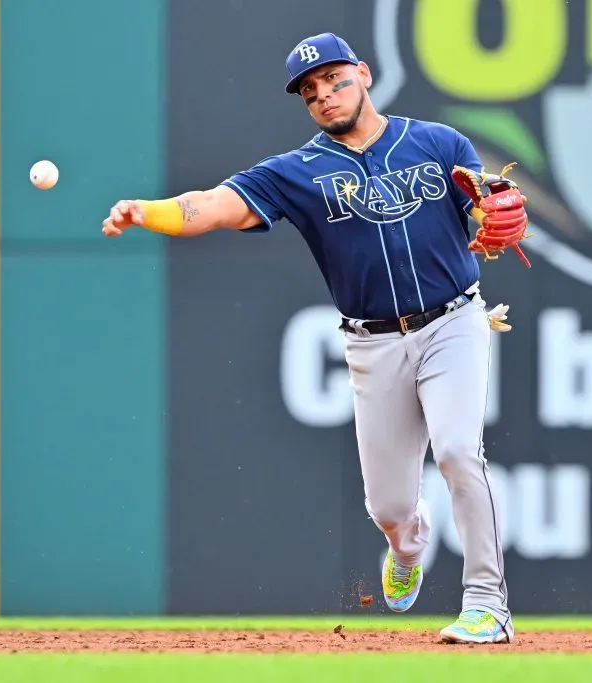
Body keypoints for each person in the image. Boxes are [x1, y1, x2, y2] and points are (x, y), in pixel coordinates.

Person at [101, 32, 528, 645]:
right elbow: (215, 206)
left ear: (364, 73)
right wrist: (147, 211)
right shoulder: (297, 172)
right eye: (310, 91)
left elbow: (494, 208)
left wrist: (503, 212)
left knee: (460, 451)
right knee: (387, 507)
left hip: (453, 321)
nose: (324, 96)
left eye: (334, 80)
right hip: (373, 343)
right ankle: (407, 548)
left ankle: (487, 602)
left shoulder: (436, 143)